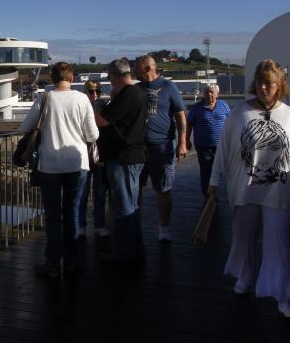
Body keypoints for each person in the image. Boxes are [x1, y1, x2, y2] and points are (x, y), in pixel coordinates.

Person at [207, 59, 290, 318]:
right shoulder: (239, 112)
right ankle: (245, 276)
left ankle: (282, 296)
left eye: (270, 83)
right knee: (244, 238)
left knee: (280, 245)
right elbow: (224, 149)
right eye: (261, 82)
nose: (264, 87)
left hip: (280, 191)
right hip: (245, 189)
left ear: (280, 85)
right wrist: (214, 182)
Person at [20, 62, 98, 277]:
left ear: (52, 78)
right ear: (71, 77)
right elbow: (93, 136)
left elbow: (25, 128)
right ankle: (72, 261)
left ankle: (52, 264)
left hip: (50, 166)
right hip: (77, 164)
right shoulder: (82, 99)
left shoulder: (44, 98)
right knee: (72, 213)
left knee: (53, 216)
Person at [94, 58, 148, 264]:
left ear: (116, 76)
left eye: (110, 78)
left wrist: (98, 107)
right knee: (132, 206)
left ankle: (125, 253)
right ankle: (136, 248)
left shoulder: (128, 94)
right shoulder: (137, 92)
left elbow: (102, 121)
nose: (110, 82)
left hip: (123, 157)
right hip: (133, 155)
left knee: (124, 206)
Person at [134, 55, 187, 242]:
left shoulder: (168, 87)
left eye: (137, 68)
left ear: (148, 68)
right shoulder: (136, 88)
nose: (134, 71)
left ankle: (164, 227)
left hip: (162, 146)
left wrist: (182, 143)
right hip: (140, 148)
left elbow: (181, 116)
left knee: (163, 188)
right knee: (136, 187)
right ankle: (134, 225)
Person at [78, 80, 110, 238]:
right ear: (86, 92)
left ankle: (99, 224)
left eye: (98, 90)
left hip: (101, 154)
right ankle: (81, 224)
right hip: (83, 153)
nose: (95, 94)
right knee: (82, 192)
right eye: (91, 91)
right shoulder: (80, 106)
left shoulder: (105, 106)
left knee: (100, 192)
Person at [186, 84, 230, 197]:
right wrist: (186, 141)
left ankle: (218, 192)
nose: (209, 94)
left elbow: (230, 123)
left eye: (212, 92)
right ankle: (208, 197)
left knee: (222, 171)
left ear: (217, 94)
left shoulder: (224, 105)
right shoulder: (196, 108)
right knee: (206, 172)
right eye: (207, 92)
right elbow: (189, 124)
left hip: (221, 146)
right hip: (203, 146)